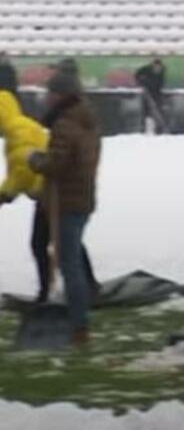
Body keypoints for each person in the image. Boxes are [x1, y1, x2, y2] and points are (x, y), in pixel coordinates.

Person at [0, 88, 99, 304]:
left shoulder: (18, 131)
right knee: (66, 243)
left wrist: (6, 193)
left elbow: (23, 168)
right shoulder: (21, 125)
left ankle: (54, 293)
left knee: (47, 243)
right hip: (51, 192)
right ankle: (88, 286)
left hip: (51, 194)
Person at [28, 67, 102, 346]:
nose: (47, 98)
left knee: (70, 265)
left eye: (51, 93)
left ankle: (78, 325)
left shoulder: (65, 124)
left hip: (67, 201)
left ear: (60, 96)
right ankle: (76, 319)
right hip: (80, 198)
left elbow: (57, 164)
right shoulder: (86, 119)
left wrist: (36, 160)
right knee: (70, 258)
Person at [135, 59, 167, 134]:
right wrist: (142, 82)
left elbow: (160, 84)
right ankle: (144, 129)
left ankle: (159, 129)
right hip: (146, 92)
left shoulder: (162, 72)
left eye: (159, 67)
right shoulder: (146, 69)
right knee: (146, 111)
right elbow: (137, 75)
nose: (157, 68)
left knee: (158, 111)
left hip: (156, 93)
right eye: (156, 67)